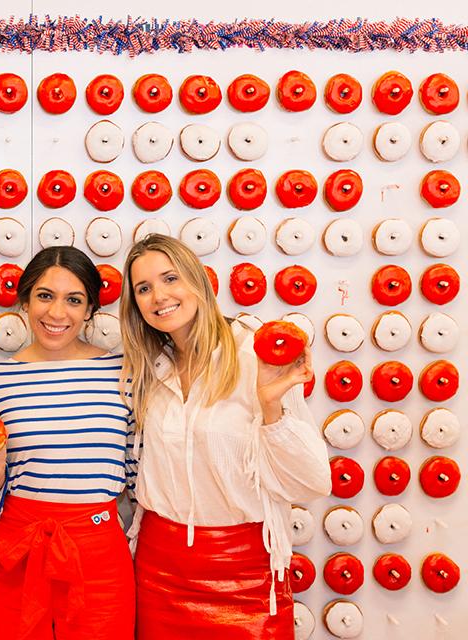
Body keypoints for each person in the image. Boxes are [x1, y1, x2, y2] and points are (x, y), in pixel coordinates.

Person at [119, 234, 330, 639]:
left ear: (197, 281)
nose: (158, 296)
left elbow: (311, 482)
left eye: (170, 278)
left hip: (246, 571)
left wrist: (271, 407)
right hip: (160, 569)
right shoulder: (150, 368)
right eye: (143, 288)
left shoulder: (256, 354)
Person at [0, 245, 136, 640]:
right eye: (45, 296)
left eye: (73, 300)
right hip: (15, 554)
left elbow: (138, 476)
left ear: (91, 309)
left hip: (99, 558)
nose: (57, 314)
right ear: (24, 300)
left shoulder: (123, 372)